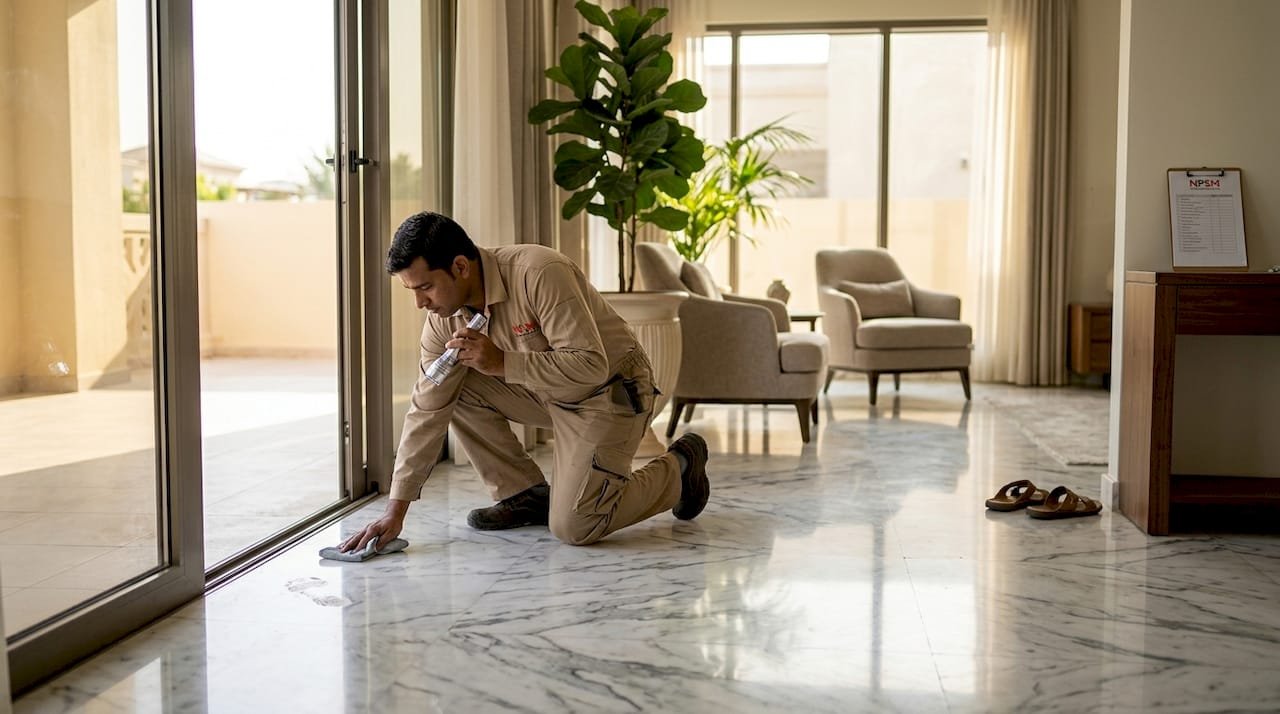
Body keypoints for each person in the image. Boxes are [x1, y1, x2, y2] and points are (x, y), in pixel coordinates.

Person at [340, 211, 709, 551]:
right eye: (412, 292)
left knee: (576, 525)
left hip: (609, 392)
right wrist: (395, 511)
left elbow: (591, 365)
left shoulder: (539, 272)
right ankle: (526, 494)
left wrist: (502, 362)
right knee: (452, 381)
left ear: (460, 266)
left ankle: (680, 467)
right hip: (546, 394)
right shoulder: (443, 319)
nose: (420, 303)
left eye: (425, 288)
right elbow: (427, 407)